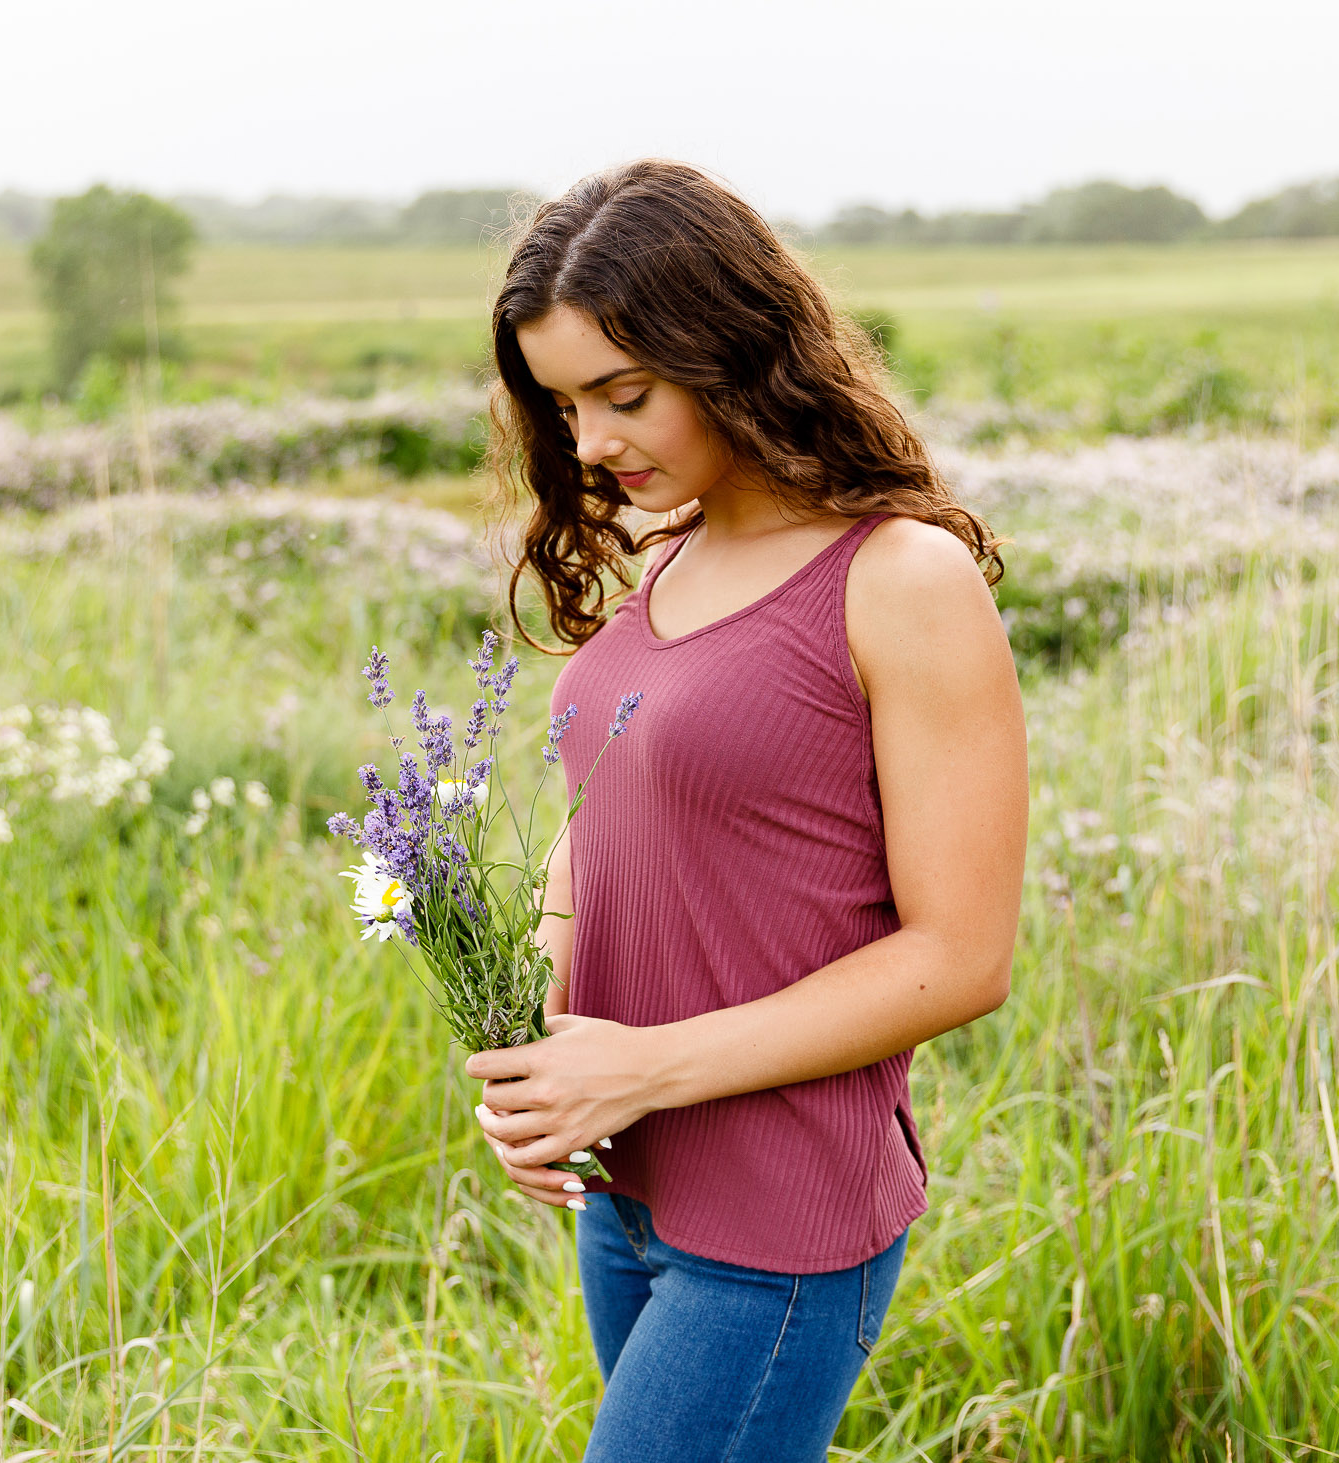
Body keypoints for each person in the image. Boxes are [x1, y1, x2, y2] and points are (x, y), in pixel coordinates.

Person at [463, 159, 1028, 1463]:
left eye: (624, 393)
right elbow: (596, 823)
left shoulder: (900, 577)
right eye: (564, 404)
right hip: (629, 1188)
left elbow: (961, 958)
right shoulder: (671, 551)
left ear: (732, 351)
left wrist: (640, 1064)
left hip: (776, 1220)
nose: (592, 441)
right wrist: (541, 1050)